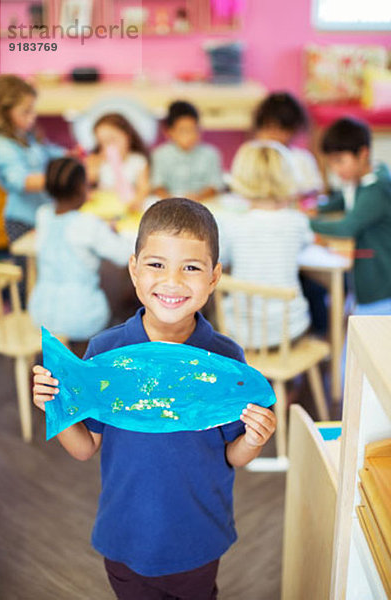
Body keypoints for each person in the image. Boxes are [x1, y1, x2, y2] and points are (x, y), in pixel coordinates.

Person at [32, 197, 276, 600]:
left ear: (214, 277)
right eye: (156, 264)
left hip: (198, 537)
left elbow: (232, 455)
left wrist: (254, 439)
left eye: (191, 268)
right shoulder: (105, 351)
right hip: (126, 535)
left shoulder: (226, 358)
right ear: (133, 269)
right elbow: (85, 448)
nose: (173, 282)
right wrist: (55, 406)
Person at [217, 141, 313, 347]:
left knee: (214, 312)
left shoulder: (232, 224)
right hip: (290, 330)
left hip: (241, 332)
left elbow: (220, 257)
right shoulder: (298, 221)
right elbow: (306, 244)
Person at [28, 157, 134, 343]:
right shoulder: (88, 224)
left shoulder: (43, 214)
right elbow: (123, 255)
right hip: (81, 316)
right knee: (121, 312)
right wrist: (121, 233)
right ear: (81, 189)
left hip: (41, 311)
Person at [311, 117, 391, 318]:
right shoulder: (361, 178)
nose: (335, 170)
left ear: (363, 154)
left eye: (340, 161)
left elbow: (347, 227)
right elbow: (342, 200)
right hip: (369, 271)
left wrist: (306, 223)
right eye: (331, 163)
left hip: (380, 282)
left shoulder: (376, 188)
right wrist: (318, 209)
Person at [0, 74, 64, 244]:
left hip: (40, 213)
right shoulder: (2, 147)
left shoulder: (25, 136)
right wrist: (61, 180)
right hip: (22, 221)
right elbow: (21, 181)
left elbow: (46, 151)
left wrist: (69, 155)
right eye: (25, 112)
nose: (32, 116)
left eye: (32, 110)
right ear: (4, 113)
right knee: (29, 266)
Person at [254, 91, 323, 197]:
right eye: (268, 128)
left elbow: (315, 188)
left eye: (280, 129)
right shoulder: (252, 158)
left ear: (294, 130)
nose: (273, 135)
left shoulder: (302, 158)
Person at [151, 101, 224, 201]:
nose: (190, 135)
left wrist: (198, 197)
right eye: (183, 130)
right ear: (170, 132)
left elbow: (215, 186)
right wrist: (172, 200)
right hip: (171, 204)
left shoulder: (211, 154)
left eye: (193, 129)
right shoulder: (160, 155)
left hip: (201, 204)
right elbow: (157, 186)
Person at [85, 113, 150, 212]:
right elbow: (87, 184)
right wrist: (93, 168)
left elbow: (143, 188)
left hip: (128, 205)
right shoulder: (97, 160)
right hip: (104, 204)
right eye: (103, 142)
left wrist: (137, 200)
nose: (108, 146)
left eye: (112, 140)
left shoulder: (137, 161)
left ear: (127, 135)